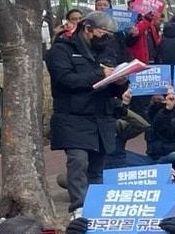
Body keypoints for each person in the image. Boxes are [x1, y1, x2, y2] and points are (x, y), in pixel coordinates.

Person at [45, 11, 130, 214]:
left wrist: (120, 81)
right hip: (73, 117)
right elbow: (65, 80)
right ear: (88, 28)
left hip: (101, 118)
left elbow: (110, 87)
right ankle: (79, 208)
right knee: (78, 162)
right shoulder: (62, 50)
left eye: (110, 35)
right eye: (103, 33)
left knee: (97, 167)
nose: (107, 39)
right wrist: (99, 73)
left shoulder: (105, 51)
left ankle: (97, 208)